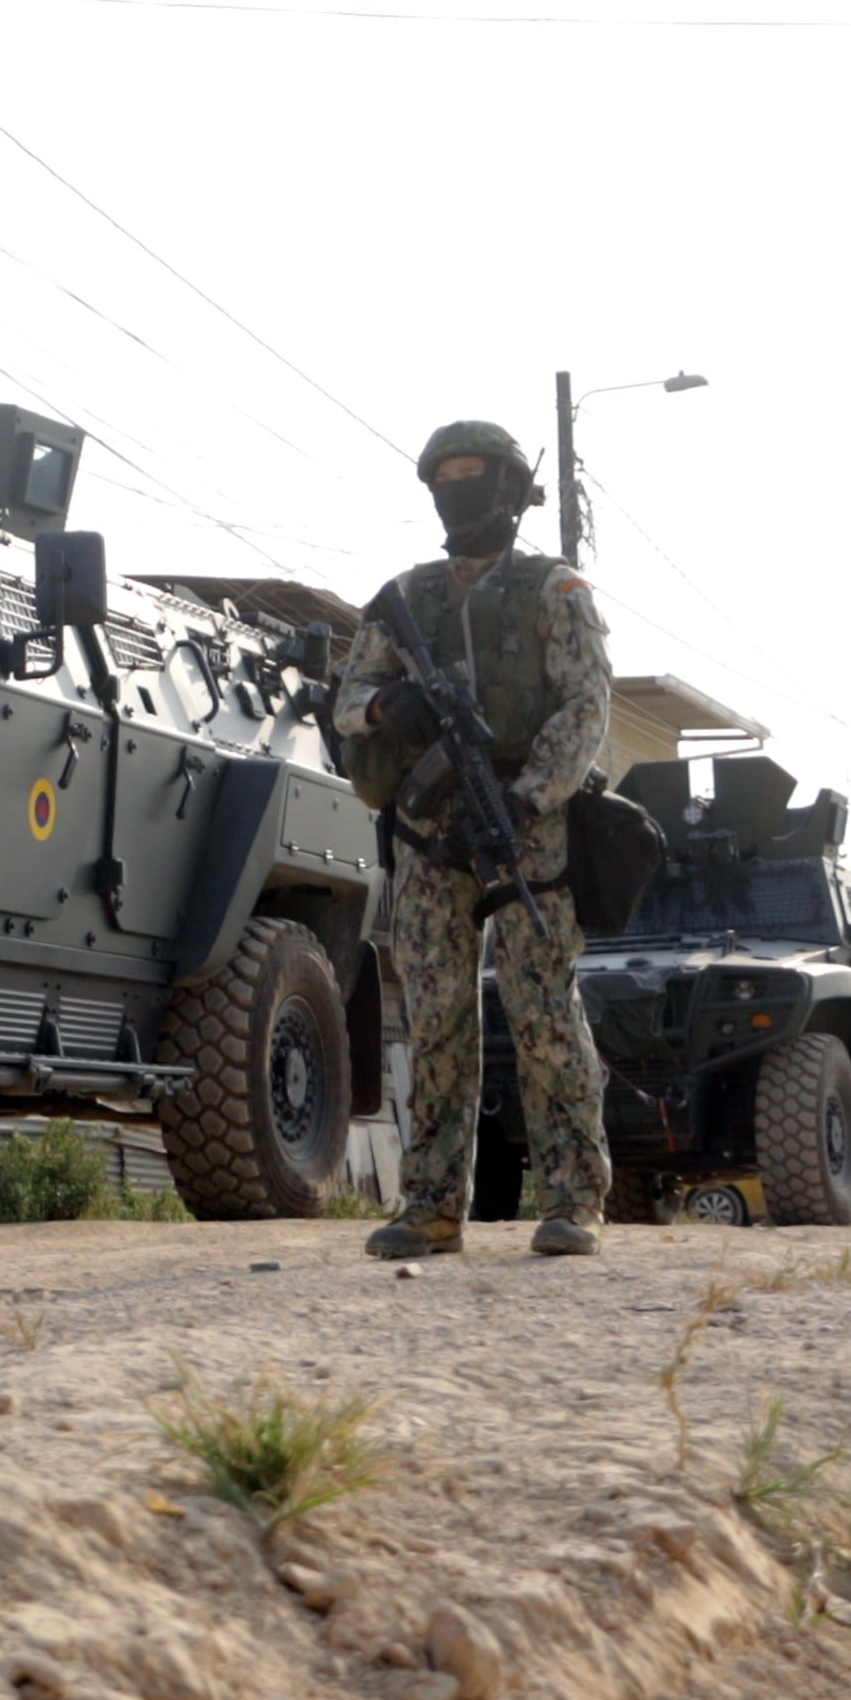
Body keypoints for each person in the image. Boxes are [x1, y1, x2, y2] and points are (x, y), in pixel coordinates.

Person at [335, 421, 617, 1259]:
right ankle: (429, 1205)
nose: (457, 490)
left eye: (472, 475)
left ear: (507, 488)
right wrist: (386, 708)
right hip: (428, 833)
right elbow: (346, 697)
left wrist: (528, 798)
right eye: (444, 477)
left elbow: (585, 706)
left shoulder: (554, 589)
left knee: (544, 1014)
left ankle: (573, 1198)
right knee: (435, 1020)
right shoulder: (404, 595)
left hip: (526, 826)